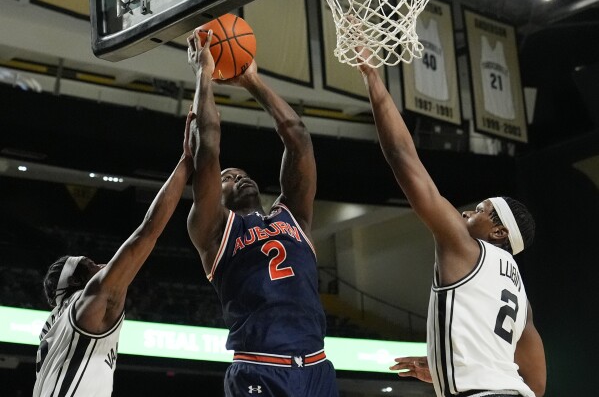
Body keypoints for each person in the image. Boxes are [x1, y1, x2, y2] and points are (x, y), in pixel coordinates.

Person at [357, 56, 546, 396]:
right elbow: (536, 385)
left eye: (478, 211)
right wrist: (456, 369)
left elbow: (402, 154)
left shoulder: (464, 246)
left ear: (499, 232)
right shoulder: (521, 296)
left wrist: (373, 77)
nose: (463, 215)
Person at [185, 29, 338, 397]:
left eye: (243, 174)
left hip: (317, 366)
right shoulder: (214, 230)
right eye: (228, 178)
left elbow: (298, 137)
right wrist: (204, 74)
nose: (239, 177)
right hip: (260, 366)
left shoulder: (293, 218)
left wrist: (253, 81)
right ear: (214, 195)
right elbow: (207, 147)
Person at [32, 111, 195, 397]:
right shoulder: (89, 300)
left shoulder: (53, 329)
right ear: (79, 283)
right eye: (92, 265)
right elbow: (147, 232)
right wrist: (186, 162)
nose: (103, 265)